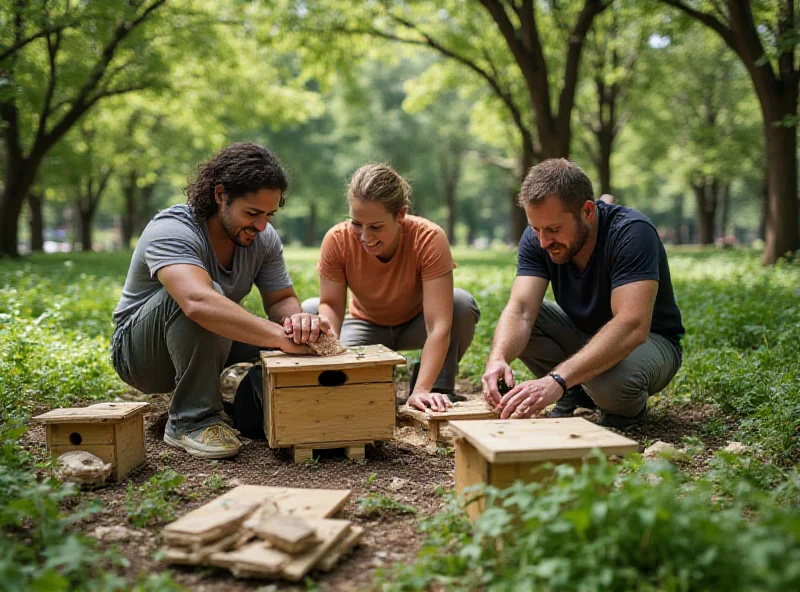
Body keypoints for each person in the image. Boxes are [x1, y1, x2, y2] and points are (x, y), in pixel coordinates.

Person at [110, 142, 331, 459]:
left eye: (269, 214)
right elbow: (196, 302)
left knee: (305, 324)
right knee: (204, 296)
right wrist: (280, 338)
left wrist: (296, 324)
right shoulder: (172, 229)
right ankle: (191, 420)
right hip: (141, 356)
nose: (261, 225)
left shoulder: (263, 238)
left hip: (207, 337)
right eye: (252, 213)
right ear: (220, 196)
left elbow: (281, 299)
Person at [481, 159, 684, 429]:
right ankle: (576, 390)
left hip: (649, 342)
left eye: (553, 229)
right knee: (530, 319)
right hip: (585, 336)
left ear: (587, 211)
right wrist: (498, 358)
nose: (543, 242)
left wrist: (557, 379)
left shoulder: (632, 232)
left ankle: (621, 409)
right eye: (536, 229)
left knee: (610, 384)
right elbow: (521, 310)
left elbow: (632, 325)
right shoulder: (539, 238)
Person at [302, 164, 481, 412]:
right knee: (310, 311)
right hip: (364, 324)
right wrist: (330, 341)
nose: (364, 236)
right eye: (356, 223)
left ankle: (436, 386)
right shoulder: (337, 239)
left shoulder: (428, 238)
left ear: (400, 214)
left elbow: (438, 325)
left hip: (416, 323)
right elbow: (331, 305)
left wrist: (420, 390)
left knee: (460, 304)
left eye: (375, 227)